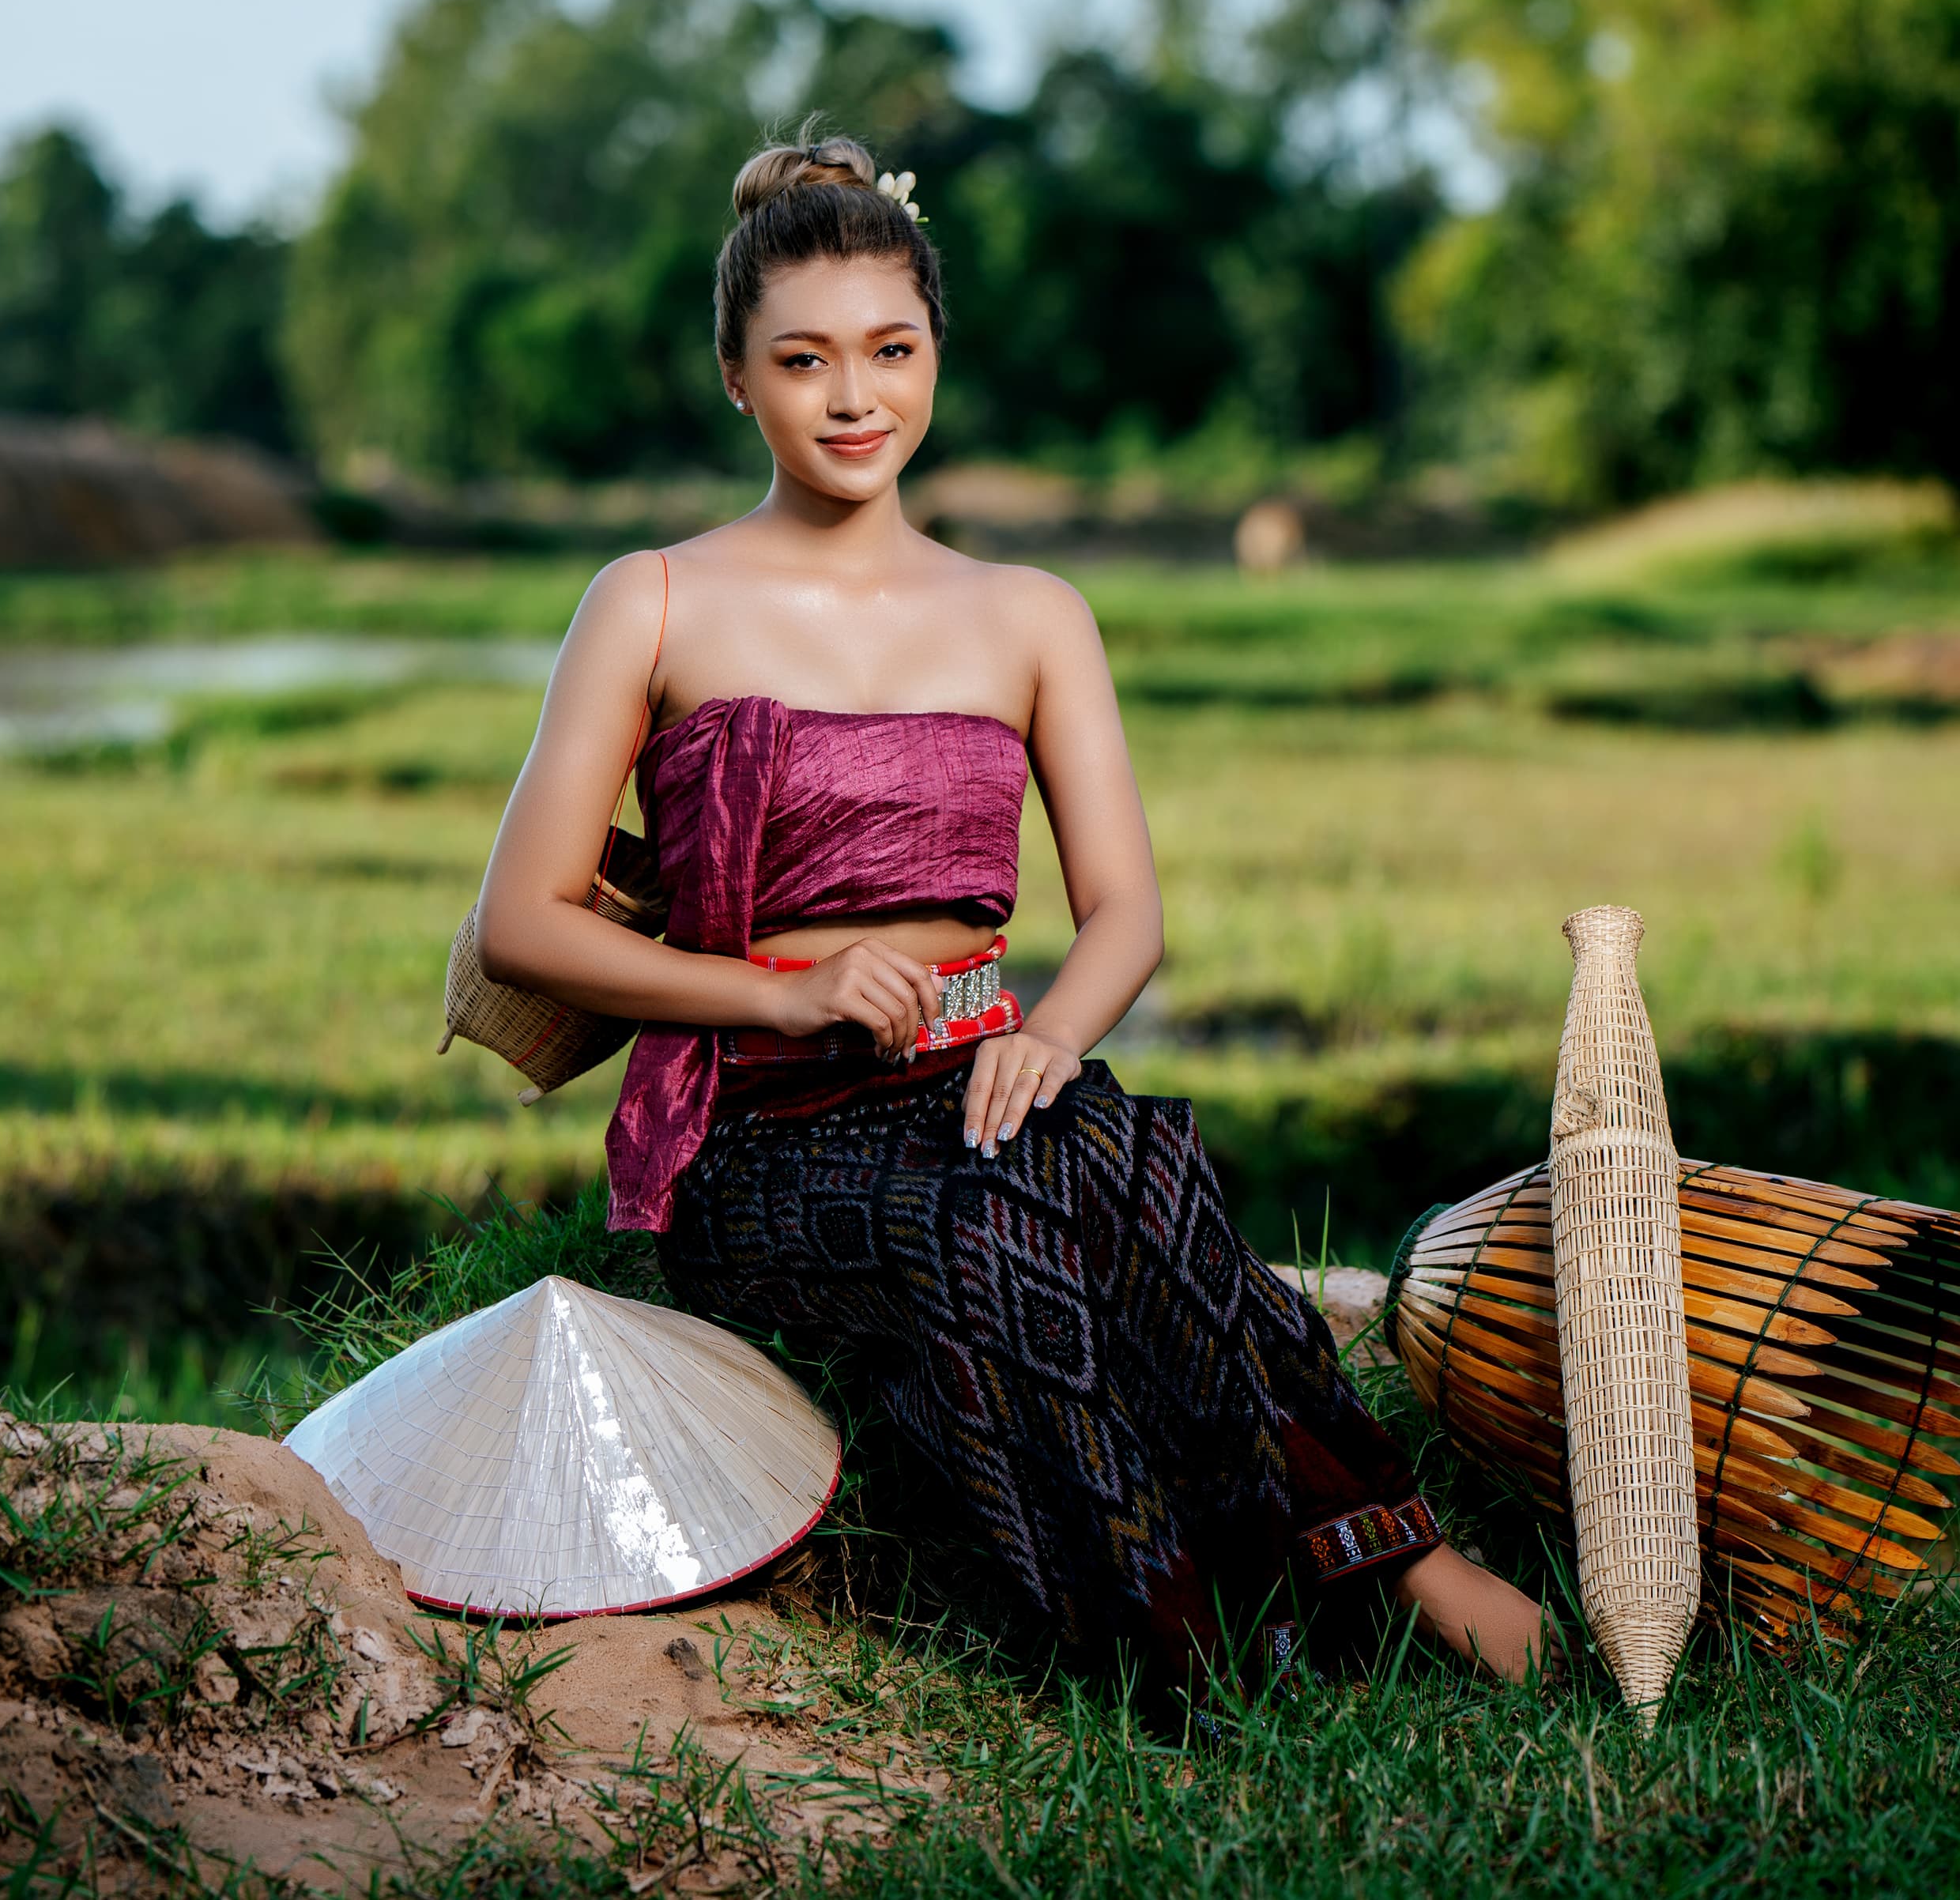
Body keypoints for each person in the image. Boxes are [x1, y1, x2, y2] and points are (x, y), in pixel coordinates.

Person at [473, 132, 1544, 1706]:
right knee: (1002, 1220)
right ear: (735, 378)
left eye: (891, 353)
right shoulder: (652, 599)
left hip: (980, 1080)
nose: (856, 399)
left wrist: (1047, 1037)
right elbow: (522, 924)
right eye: (806, 361)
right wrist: (784, 994)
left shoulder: (1030, 613)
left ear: (935, 359)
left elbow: (1124, 912)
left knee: (1121, 1149)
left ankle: (1399, 1574)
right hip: (765, 1134)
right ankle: (1194, 1651)